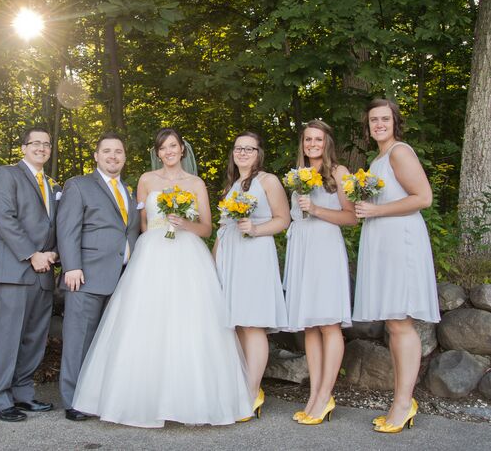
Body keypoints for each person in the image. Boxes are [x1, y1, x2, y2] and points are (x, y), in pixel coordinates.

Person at [71, 128, 253, 428]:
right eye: (162, 147)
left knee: (190, 324)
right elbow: (140, 225)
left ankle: (192, 400)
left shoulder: (195, 183)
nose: (168, 151)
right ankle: (138, 399)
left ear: (182, 149)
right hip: (152, 253)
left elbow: (207, 227)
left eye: (173, 146)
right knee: (145, 323)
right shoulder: (146, 180)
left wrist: (183, 223)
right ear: (157, 153)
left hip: (188, 254)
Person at [353, 99, 440, 433]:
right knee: (393, 323)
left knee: (401, 323)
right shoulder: (377, 159)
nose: (378, 124)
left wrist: (375, 211)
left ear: (395, 122)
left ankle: (403, 403)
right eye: (373, 119)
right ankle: (401, 400)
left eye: (384, 119)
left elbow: (423, 198)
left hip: (401, 242)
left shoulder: (400, 153)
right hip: (382, 243)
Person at [56, 132, 140, 422]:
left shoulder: (129, 191)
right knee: (79, 339)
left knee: (108, 342)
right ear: (96, 156)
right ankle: (73, 401)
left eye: (118, 151)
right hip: (86, 275)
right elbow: (67, 229)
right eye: (107, 151)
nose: (113, 156)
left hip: (122, 279)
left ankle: (99, 397)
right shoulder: (79, 185)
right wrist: (71, 266)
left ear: (124, 157)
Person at [282, 120, 356, 425]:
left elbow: (351, 217)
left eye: (318, 139)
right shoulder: (296, 175)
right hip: (301, 247)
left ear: (327, 143)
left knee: (328, 324)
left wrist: (316, 210)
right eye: (308, 139)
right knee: (309, 326)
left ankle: (326, 395)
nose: (312, 144)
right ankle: (314, 394)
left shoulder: (339, 172)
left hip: (325, 247)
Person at [213, 131, 290, 419]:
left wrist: (255, 229)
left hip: (255, 254)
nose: (243, 152)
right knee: (238, 323)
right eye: (238, 148)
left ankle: (251, 391)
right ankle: (244, 387)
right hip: (230, 256)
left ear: (259, 153)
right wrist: (214, 263)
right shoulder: (232, 185)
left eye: (249, 148)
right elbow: (223, 228)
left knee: (253, 323)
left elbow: (283, 219)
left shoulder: (267, 181)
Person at [0, 127, 59, 423]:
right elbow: (5, 218)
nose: (41, 147)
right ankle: (0, 399)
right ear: (24, 147)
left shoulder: (52, 185)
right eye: (35, 143)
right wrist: (32, 253)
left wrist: (54, 253)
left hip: (43, 272)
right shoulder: (8, 174)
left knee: (34, 338)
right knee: (7, 337)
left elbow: (55, 225)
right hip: (14, 271)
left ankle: (24, 394)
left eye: (46, 144)